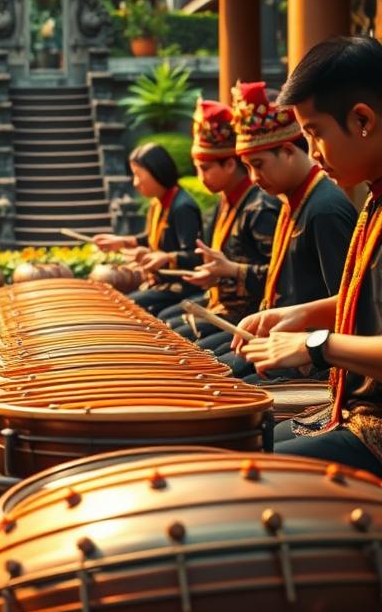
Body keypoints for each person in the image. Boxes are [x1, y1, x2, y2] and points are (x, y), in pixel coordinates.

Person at [233, 37, 382, 477]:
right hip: (351, 411)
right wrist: (303, 314)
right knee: (235, 446)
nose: (312, 152)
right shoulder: (374, 198)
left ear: (361, 120)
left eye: (314, 133)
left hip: (373, 431)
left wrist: (314, 344)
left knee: (240, 471)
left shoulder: (332, 203)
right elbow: (368, 305)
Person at [219, 80, 357, 381]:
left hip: (315, 360)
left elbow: (350, 309)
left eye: (258, 164)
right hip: (286, 341)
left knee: (220, 383)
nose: (254, 177)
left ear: (287, 150)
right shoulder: (293, 200)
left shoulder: (325, 209)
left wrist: (307, 337)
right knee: (206, 367)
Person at [159, 99, 279, 347]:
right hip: (219, 304)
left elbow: (278, 278)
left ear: (230, 164)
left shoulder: (261, 208)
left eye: (205, 168)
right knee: (162, 325)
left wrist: (230, 272)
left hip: (249, 318)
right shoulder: (225, 202)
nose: (199, 177)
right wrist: (215, 275)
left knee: (175, 343)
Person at [92, 142, 202, 314]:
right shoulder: (158, 202)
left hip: (182, 286)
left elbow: (195, 257)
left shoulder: (182, 208)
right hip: (160, 281)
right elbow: (153, 237)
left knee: (123, 309)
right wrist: (123, 241)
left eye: (137, 175)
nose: (135, 183)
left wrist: (165, 257)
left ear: (157, 172)